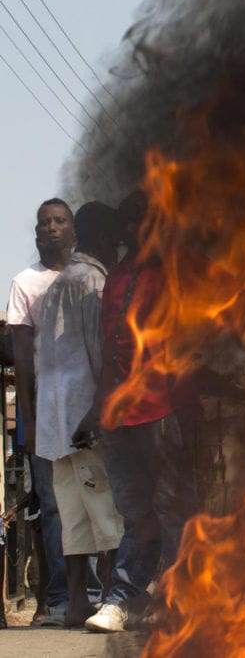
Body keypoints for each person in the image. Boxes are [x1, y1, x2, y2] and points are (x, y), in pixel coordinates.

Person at [78, 191, 202, 632]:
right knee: (137, 513)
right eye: (127, 225)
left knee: (172, 509)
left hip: (163, 409)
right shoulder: (116, 275)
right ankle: (125, 601)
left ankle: (179, 600)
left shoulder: (179, 270)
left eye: (142, 224)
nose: (132, 233)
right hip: (118, 417)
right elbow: (109, 345)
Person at [34, 202, 125, 626]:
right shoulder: (93, 280)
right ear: (104, 238)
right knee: (107, 513)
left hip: (56, 424)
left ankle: (75, 605)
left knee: (73, 520)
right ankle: (111, 602)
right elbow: (102, 351)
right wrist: (101, 412)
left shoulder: (58, 283)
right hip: (85, 419)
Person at [6, 198, 75, 623]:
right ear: (36, 234)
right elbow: (23, 361)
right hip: (46, 410)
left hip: (88, 411)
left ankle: (102, 596)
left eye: (59, 220)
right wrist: (28, 423)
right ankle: (60, 599)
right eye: (44, 222)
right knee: (53, 508)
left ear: (73, 230)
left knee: (99, 503)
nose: (51, 227)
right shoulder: (24, 283)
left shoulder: (92, 278)